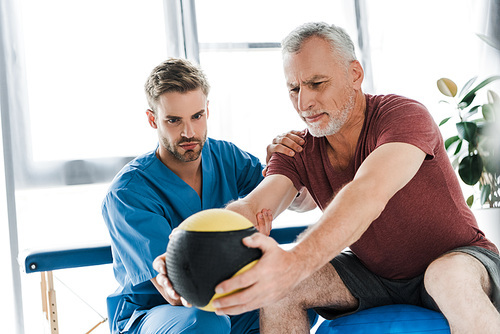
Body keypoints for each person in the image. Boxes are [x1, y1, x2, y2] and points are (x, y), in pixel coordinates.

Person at [154, 23, 500, 333]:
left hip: (459, 256)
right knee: (281, 289)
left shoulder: (403, 116)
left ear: (355, 74)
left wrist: (296, 261)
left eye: (317, 84)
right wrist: (184, 251)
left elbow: (368, 192)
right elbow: (254, 205)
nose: (304, 102)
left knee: (446, 277)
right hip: (373, 274)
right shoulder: (299, 148)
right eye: (294, 89)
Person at [102, 58, 313, 333]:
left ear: (208, 111)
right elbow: (178, 292)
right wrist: (243, 249)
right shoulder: (128, 193)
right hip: (156, 313)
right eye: (174, 120)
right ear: (153, 119)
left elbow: (299, 202)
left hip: (225, 300)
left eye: (196, 116)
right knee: (205, 323)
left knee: (294, 300)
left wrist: (282, 171)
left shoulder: (226, 157)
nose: (188, 132)